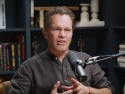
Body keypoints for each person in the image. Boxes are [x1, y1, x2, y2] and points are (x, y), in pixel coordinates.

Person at [8, 6, 114, 94]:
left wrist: (87, 90)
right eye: (56, 29)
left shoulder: (87, 59)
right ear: (45, 33)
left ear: (72, 33)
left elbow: (108, 91)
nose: (62, 35)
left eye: (67, 30)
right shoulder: (28, 67)